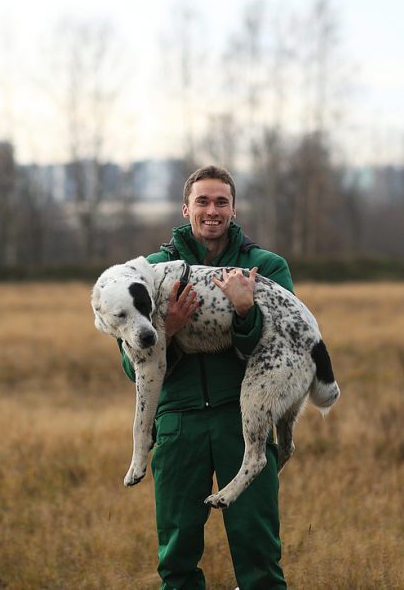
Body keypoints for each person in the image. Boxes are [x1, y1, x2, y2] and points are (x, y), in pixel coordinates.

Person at [119, 164, 291, 590]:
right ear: (185, 209)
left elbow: (284, 351)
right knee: (176, 562)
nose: (211, 210)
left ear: (234, 210)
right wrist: (167, 330)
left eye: (221, 202)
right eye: (202, 201)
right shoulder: (150, 271)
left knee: (260, 558)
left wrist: (246, 313)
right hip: (178, 427)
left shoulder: (265, 267)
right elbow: (130, 367)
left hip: (242, 422)